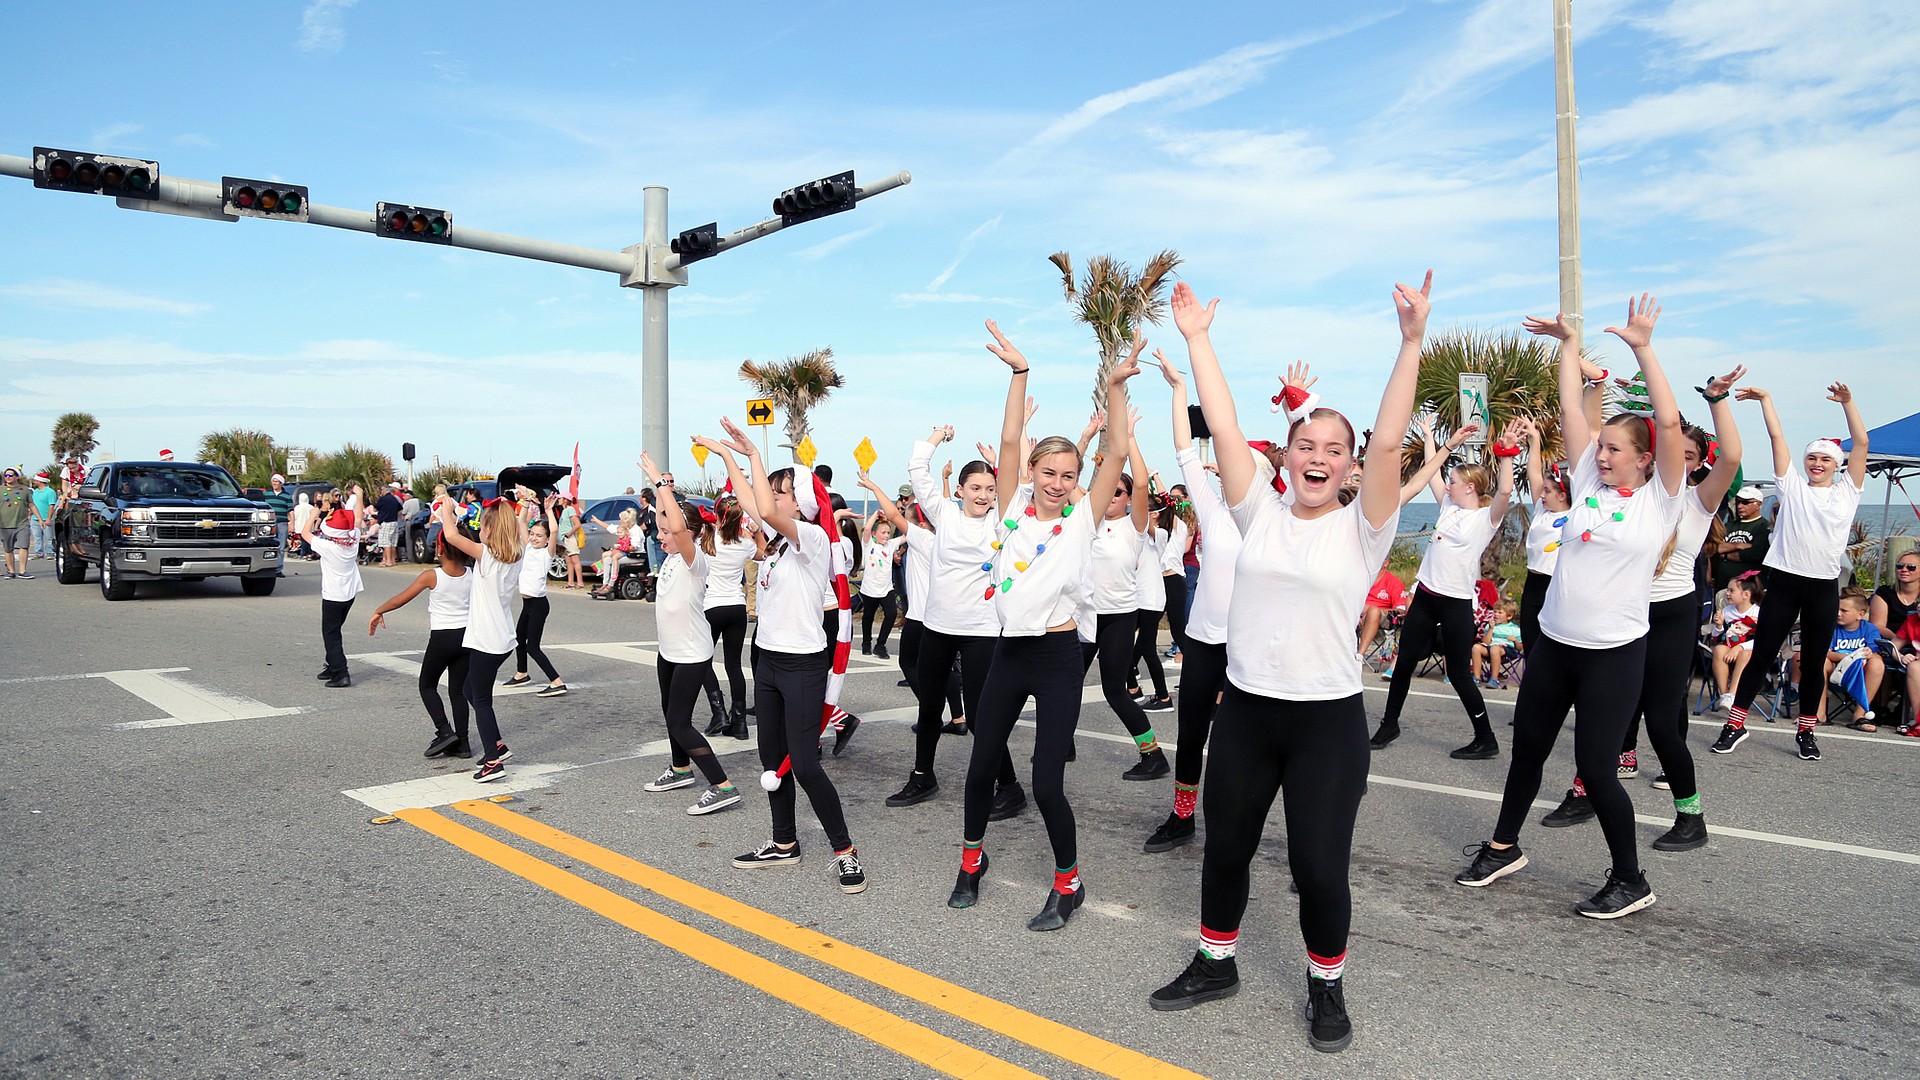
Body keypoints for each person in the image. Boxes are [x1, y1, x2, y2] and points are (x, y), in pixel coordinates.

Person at [1146, 274, 1427, 1058]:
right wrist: (1200, 341)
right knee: (1226, 846)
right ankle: (1215, 962)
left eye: (1334, 450)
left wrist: (1409, 346)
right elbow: (1227, 429)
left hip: (1324, 721)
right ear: (1289, 455)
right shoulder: (1256, 510)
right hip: (1247, 710)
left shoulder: (1364, 528)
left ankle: (1325, 983)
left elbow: (1391, 443)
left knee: (1317, 867)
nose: (1319, 456)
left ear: (1347, 467)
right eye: (1307, 444)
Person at [1455, 293, 1689, 921]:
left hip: (1613, 653)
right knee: (1528, 748)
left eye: (1616, 449)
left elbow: (1669, 427)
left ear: (1645, 460)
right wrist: (1565, 345)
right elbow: (1566, 406)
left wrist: (1642, 348)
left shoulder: (1661, 499)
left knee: (1596, 768)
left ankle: (1631, 878)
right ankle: (1503, 845)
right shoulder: (1588, 481)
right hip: (1555, 642)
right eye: (1601, 447)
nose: (1602, 455)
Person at [948, 319, 1136, 933]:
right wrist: (1019, 373)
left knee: (1047, 782)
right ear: (1031, 473)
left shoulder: (1082, 518)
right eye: (1047, 472)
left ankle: (1068, 883)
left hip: (1057, 658)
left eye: (1067, 475)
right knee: (980, 767)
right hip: (1009, 655)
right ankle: (971, 863)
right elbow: (1007, 444)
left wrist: (1114, 388)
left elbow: (1114, 452)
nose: (1057, 483)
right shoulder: (1009, 511)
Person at [697, 419, 867, 895]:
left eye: (784, 491)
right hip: (767, 661)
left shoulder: (811, 541)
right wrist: (730, 457)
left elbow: (766, 511)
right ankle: (783, 842)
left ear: (804, 504)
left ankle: (845, 853)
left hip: (802, 665)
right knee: (770, 758)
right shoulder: (773, 550)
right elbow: (756, 506)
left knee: (806, 765)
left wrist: (752, 451)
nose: (774, 498)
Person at [1709, 380, 1869, 761]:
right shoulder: (1792, 486)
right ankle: (1735, 724)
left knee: (1813, 662)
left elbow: (1860, 444)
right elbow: (1776, 436)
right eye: (1812, 458)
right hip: (1783, 580)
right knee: (1761, 654)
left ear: (1837, 465)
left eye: (1825, 460)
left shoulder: (1848, 492)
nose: (1816, 464)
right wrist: (1766, 400)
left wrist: (1849, 404)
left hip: (1822, 586)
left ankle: (1806, 731)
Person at [870, 434, 1023, 815]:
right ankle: (922, 776)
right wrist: (933, 439)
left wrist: (1007, 463)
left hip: (981, 631)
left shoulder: (1001, 525)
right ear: (960, 490)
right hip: (938, 626)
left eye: (990, 488)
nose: (984, 494)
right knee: (929, 705)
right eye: (975, 487)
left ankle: (1010, 786)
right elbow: (918, 471)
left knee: (978, 714)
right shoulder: (945, 514)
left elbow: (1022, 490)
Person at [1370, 415, 1517, 759]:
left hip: (1455, 603)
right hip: (1426, 596)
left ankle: (1485, 738)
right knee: (1405, 662)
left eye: (1454, 480)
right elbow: (1432, 472)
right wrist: (1427, 436)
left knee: (1460, 673)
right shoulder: (1448, 506)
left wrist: (1507, 454)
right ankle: (1389, 724)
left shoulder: (1484, 519)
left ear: (1469, 486)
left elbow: (1506, 491)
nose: (1447, 484)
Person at [1141, 352, 1241, 854]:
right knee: (1191, 735)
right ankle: (1183, 817)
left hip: (1251, 651)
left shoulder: (1281, 518)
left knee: (1246, 748)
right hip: (1203, 645)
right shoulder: (1216, 514)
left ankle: (1287, 839)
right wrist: (1179, 387)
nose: (1229, 473)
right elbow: (1184, 447)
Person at [635, 453, 743, 815]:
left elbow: (679, 530)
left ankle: (722, 784)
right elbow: (673, 523)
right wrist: (669, 500)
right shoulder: (670, 558)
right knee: (670, 713)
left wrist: (660, 485)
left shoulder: (695, 561)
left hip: (691, 653)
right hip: (669, 651)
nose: (661, 536)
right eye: (660, 531)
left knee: (680, 722)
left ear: (691, 534)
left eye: (666, 533)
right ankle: (681, 769)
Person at [1078, 405, 1173, 781]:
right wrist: (1085, 438)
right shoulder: (1087, 518)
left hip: (1119, 616)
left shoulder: (1134, 526)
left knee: (1115, 690)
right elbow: (1069, 482)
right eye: (1109, 491)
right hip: (1085, 615)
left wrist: (1129, 437)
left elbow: (1139, 482)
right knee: (1066, 685)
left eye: (1119, 491)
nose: (1114, 495)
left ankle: (1153, 755)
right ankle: (1059, 743)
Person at [367, 518, 476, 758]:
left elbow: (402, 598)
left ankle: (444, 731)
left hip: (442, 637)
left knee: (427, 684)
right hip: (467, 637)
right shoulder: (471, 574)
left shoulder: (432, 576)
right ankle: (464, 743)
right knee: (457, 691)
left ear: (439, 549)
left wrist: (379, 610)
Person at [434, 496, 525, 782]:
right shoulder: (516, 553)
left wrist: (446, 511)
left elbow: (450, 535)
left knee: (481, 700)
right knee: (471, 690)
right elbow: (516, 528)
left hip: (487, 640)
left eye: (482, 526)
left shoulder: (485, 555)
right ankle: (497, 745)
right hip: (501, 638)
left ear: (489, 531)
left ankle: (493, 762)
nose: (478, 530)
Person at [698, 495, 760, 740]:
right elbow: (763, 553)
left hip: (712, 605)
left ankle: (718, 712)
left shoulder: (707, 538)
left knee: (702, 660)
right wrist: (754, 532)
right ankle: (740, 720)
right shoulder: (744, 543)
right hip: (737, 606)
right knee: (734, 665)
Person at [504, 495, 568, 697]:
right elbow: (521, 521)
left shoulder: (545, 554)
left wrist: (549, 511)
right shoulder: (528, 548)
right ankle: (522, 673)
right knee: (518, 639)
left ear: (547, 539)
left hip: (539, 605)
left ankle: (557, 681)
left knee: (533, 646)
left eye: (539, 536)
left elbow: (555, 530)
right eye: (532, 534)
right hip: (527, 604)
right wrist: (525, 502)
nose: (533, 538)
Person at [302, 486, 365, 687]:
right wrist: (360, 496)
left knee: (331, 632)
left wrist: (313, 515)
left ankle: (340, 672)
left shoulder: (327, 545)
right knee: (335, 629)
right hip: (350, 593)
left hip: (333, 595)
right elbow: (357, 518)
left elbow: (304, 533)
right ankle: (332, 664)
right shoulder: (352, 539)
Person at [1820, 590, 1884, 730]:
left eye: (1844, 610)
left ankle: (1860, 716)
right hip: (1835, 670)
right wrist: (1847, 657)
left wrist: (1869, 653)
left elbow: (1874, 652)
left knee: (1877, 663)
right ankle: (1819, 714)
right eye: (1837, 609)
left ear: (1860, 614)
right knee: (1821, 661)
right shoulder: (1832, 627)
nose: (1838, 613)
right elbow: (1826, 652)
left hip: (1859, 673)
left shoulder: (1869, 629)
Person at [1711, 572, 1763, 710]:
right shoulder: (1727, 611)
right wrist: (1718, 626)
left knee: (1745, 654)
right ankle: (1725, 695)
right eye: (1727, 590)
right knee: (1719, 649)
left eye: (1731, 590)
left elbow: (1761, 640)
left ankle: (1733, 693)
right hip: (1728, 647)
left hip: (1749, 651)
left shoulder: (1758, 613)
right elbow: (1717, 638)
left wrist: (1739, 647)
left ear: (1746, 595)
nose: (1727, 593)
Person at [858, 515, 905, 658]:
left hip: (886, 589)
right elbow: (866, 529)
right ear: (874, 534)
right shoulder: (869, 545)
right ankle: (866, 643)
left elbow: (906, 535)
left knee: (891, 614)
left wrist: (898, 517)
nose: (886, 536)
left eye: (888, 533)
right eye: (883, 532)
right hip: (870, 589)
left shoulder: (890, 545)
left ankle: (880, 645)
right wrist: (876, 514)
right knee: (868, 617)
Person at [1713, 486, 1772, 591]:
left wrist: (1725, 555)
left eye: (1745, 502)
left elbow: (1754, 554)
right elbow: (1715, 547)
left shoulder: (1763, 527)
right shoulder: (1729, 525)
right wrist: (1737, 545)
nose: (1740, 506)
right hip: (1723, 585)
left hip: (1748, 589)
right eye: (1738, 502)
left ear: (1758, 505)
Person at [1473, 602, 1522, 687]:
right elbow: (1486, 643)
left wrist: (1515, 641)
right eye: (1495, 612)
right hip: (1490, 648)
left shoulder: (1514, 629)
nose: (1496, 614)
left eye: (1500, 612)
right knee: (1476, 647)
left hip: (1507, 651)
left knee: (1495, 649)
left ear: (1509, 616)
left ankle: (1494, 679)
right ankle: (1477, 677)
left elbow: (1520, 648)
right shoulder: (1490, 626)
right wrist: (1491, 629)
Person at [0, 468, 32, 579]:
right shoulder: (0, 490)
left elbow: (31, 505)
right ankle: (11, 572)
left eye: (10, 475)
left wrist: (41, 519)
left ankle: (23, 571)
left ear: (17, 476)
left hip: (22, 523)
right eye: (6, 475)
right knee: (8, 549)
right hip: (4, 524)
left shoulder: (25, 490)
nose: (8, 477)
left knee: (24, 546)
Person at [375, 482, 405, 567]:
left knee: (386, 542)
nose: (381, 492)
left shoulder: (383, 499)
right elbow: (400, 509)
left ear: (385, 490)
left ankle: (388, 561)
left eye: (381, 490)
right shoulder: (394, 498)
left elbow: (375, 508)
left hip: (386, 522)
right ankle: (392, 560)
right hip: (394, 522)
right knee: (392, 542)